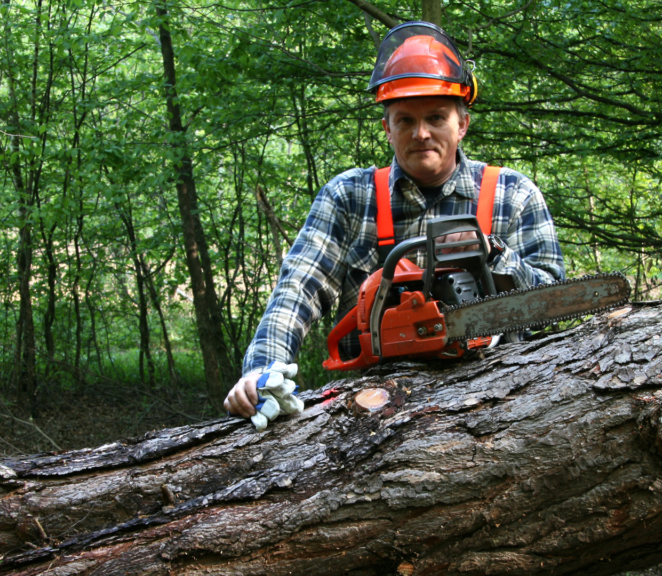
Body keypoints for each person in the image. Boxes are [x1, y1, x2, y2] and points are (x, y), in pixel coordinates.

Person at [224, 21, 566, 421]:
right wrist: (265, 371)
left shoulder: (512, 194)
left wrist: (494, 255)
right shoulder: (350, 197)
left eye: (436, 117)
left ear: (462, 125)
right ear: (387, 128)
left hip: (495, 402)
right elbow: (297, 290)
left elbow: (553, 305)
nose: (421, 133)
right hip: (371, 411)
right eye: (405, 120)